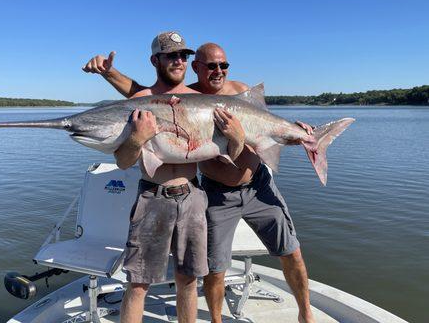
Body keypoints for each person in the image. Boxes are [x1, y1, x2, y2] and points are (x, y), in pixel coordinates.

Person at [83, 41, 317, 323]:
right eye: (211, 66)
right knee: (212, 269)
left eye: (224, 65)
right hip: (216, 194)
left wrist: (298, 132)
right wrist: (109, 73)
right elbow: (141, 95)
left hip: (258, 185)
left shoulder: (240, 91)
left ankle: (306, 314)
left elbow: (269, 127)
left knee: (291, 251)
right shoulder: (185, 97)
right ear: (197, 68)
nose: (219, 71)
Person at [109, 32, 245, 323]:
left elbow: (230, 152)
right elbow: (122, 162)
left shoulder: (204, 102)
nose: (179, 61)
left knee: (188, 281)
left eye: (183, 56)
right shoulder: (141, 102)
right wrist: (136, 141)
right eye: (171, 55)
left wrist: (236, 138)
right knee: (138, 284)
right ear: (155, 60)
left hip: (192, 196)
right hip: (152, 197)